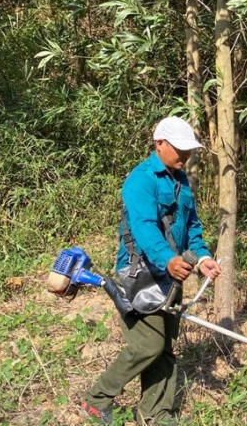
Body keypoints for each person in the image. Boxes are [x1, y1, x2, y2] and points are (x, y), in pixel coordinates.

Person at [81, 116, 222, 426]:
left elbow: (192, 227)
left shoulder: (181, 180)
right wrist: (167, 259)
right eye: (180, 149)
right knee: (148, 344)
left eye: (189, 150)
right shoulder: (141, 180)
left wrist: (201, 259)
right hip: (140, 275)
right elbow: (144, 228)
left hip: (173, 273)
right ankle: (97, 399)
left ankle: (156, 414)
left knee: (164, 348)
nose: (185, 156)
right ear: (160, 144)